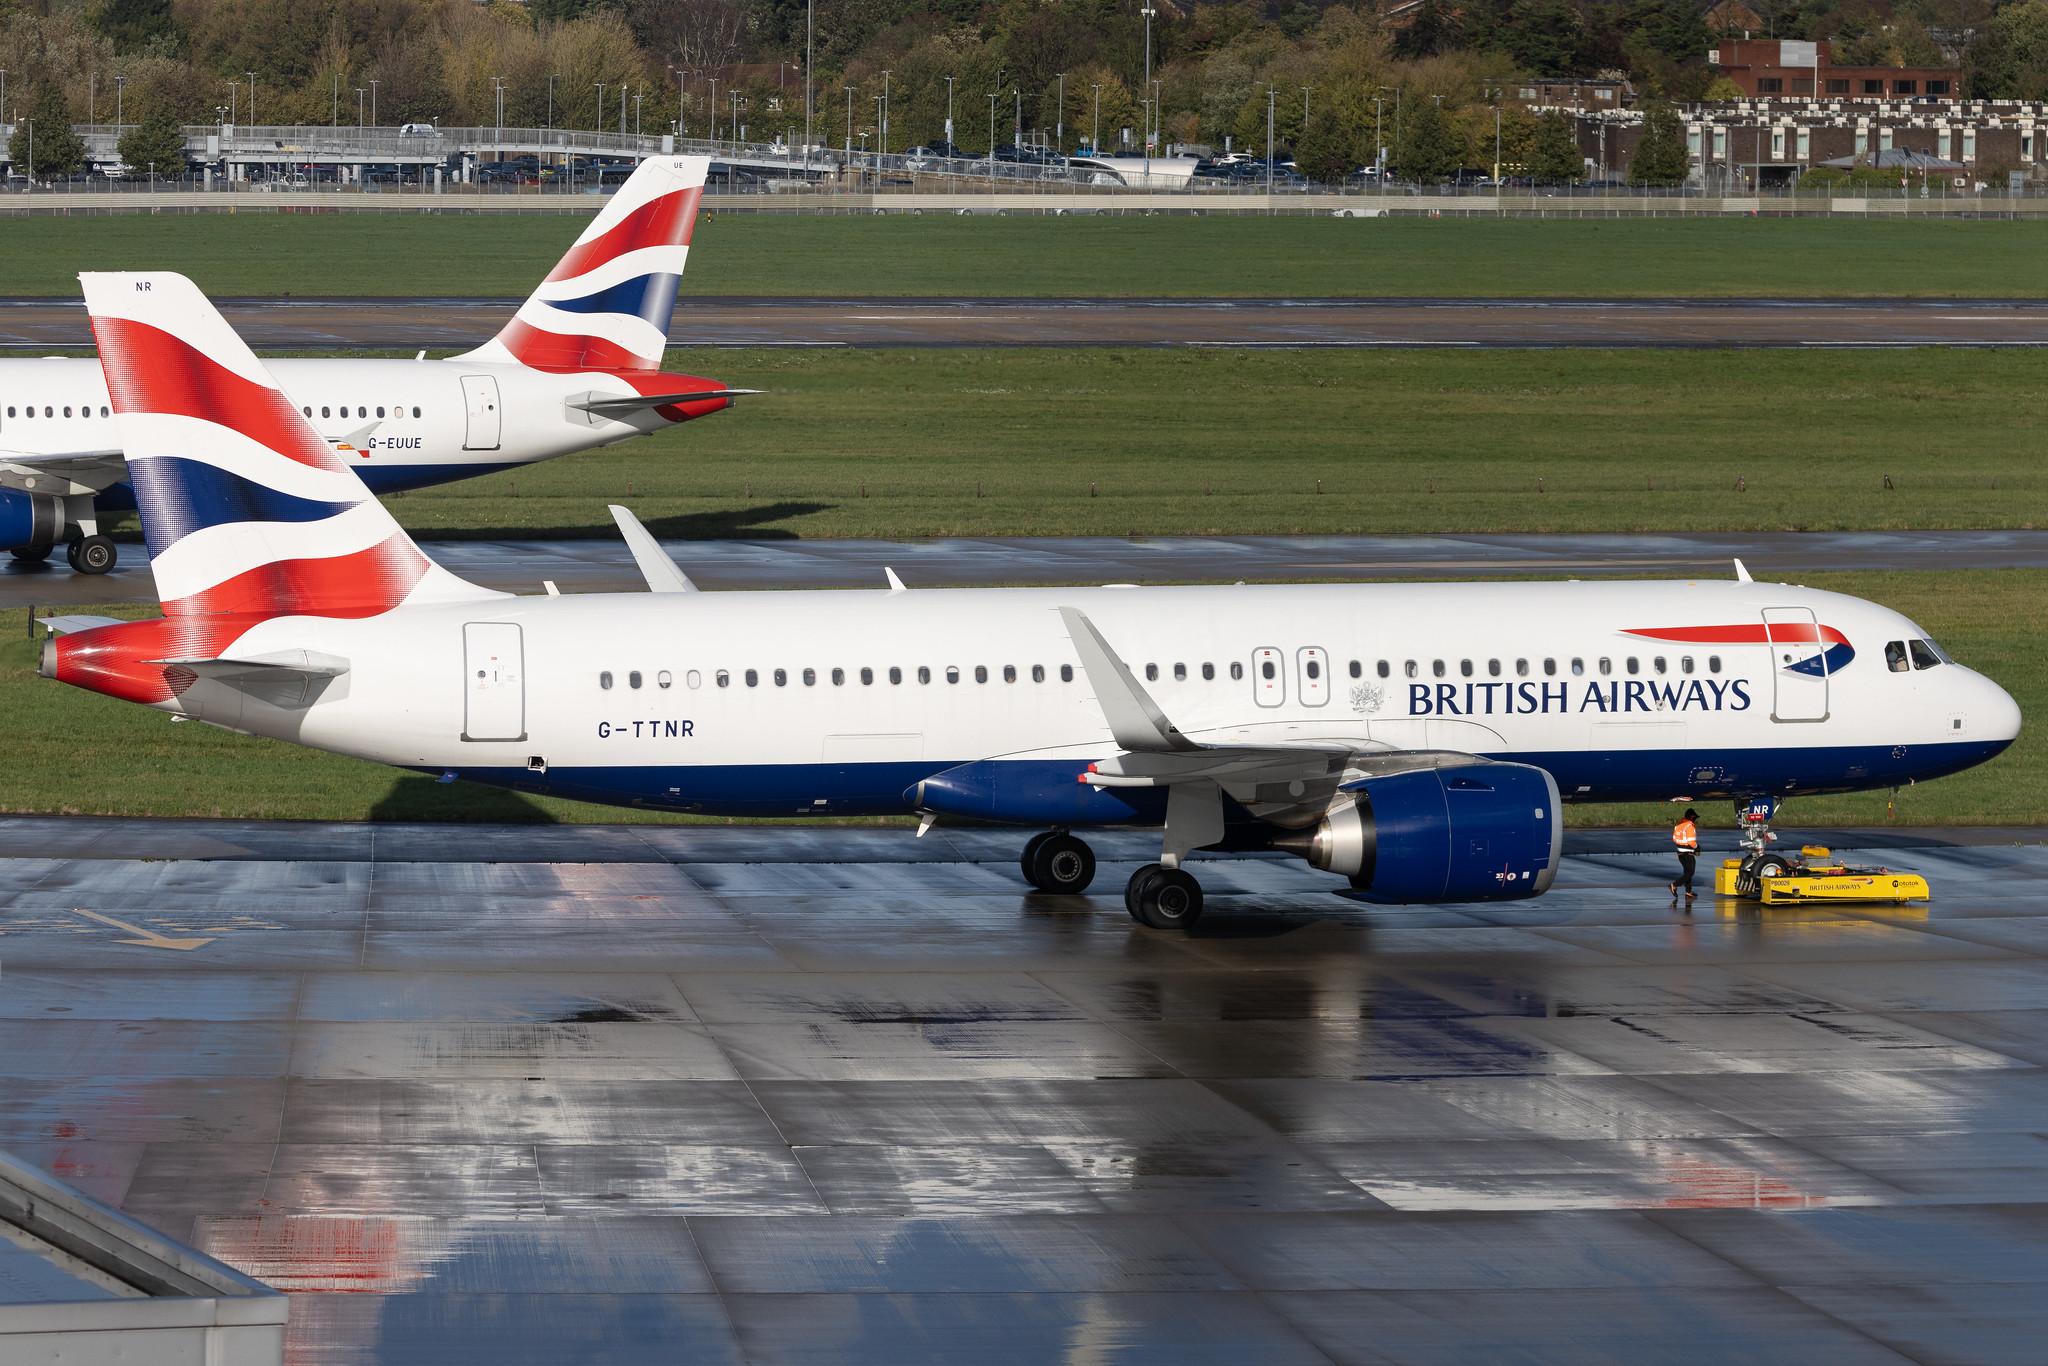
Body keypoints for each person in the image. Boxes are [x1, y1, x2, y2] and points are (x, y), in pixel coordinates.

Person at [1669, 808, 1699, 901]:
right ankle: (1674, 885)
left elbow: (1674, 838)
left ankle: (1688, 891)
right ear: (1692, 817)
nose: (1695, 820)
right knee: (1690, 872)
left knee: (1687, 873)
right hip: (1688, 852)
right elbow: (1691, 842)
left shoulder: (1679, 824)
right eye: (1695, 818)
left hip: (1680, 853)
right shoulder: (1690, 826)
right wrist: (1697, 847)